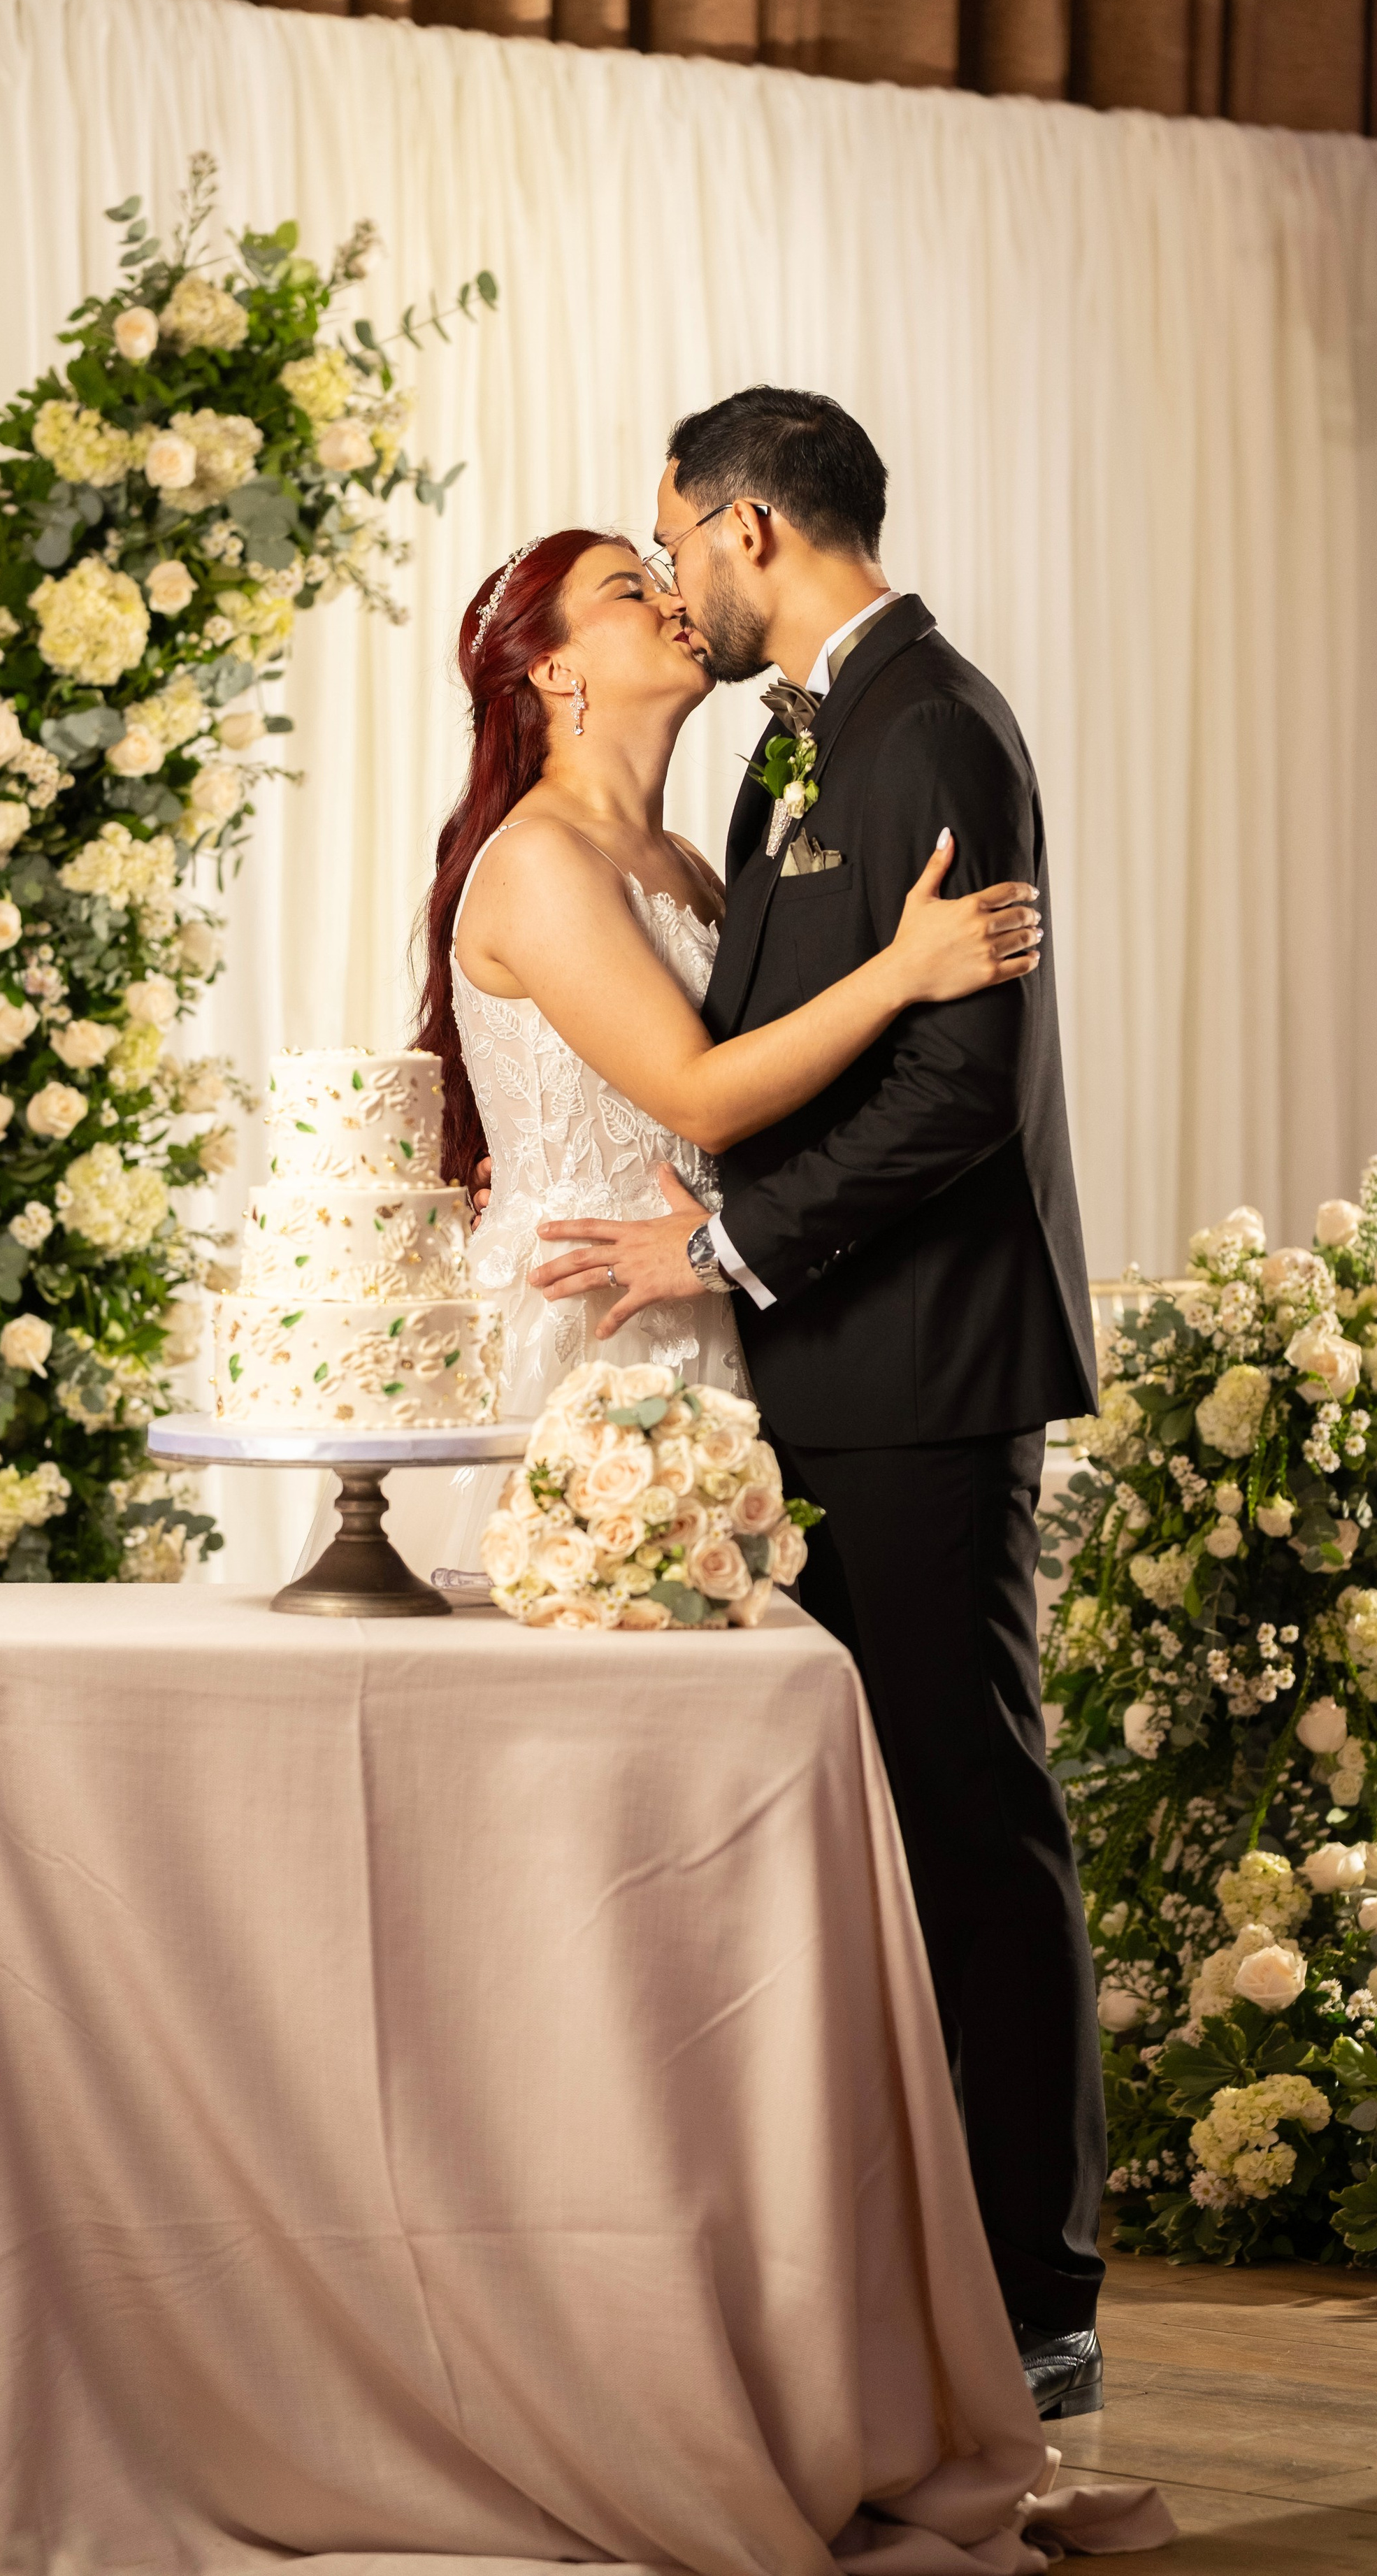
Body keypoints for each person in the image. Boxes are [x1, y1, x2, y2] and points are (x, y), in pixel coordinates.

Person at [526, 392, 1107, 2421]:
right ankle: (896, 2273)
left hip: (924, 1368)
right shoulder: (797, 740)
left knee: (969, 1818)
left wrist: (724, 1246)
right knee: (860, 1837)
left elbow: (963, 1095)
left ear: (750, 527)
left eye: (676, 538)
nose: (673, 577)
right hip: (814, 1370)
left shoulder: (929, 724)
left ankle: (1039, 2299)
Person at [358, 524, 1039, 1588]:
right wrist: (903, 971)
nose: (675, 599)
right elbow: (700, 1098)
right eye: (632, 589)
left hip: (711, 1292)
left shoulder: (682, 858)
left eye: (664, 575)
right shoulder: (539, 859)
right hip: (593, 1319)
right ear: (557, 670)